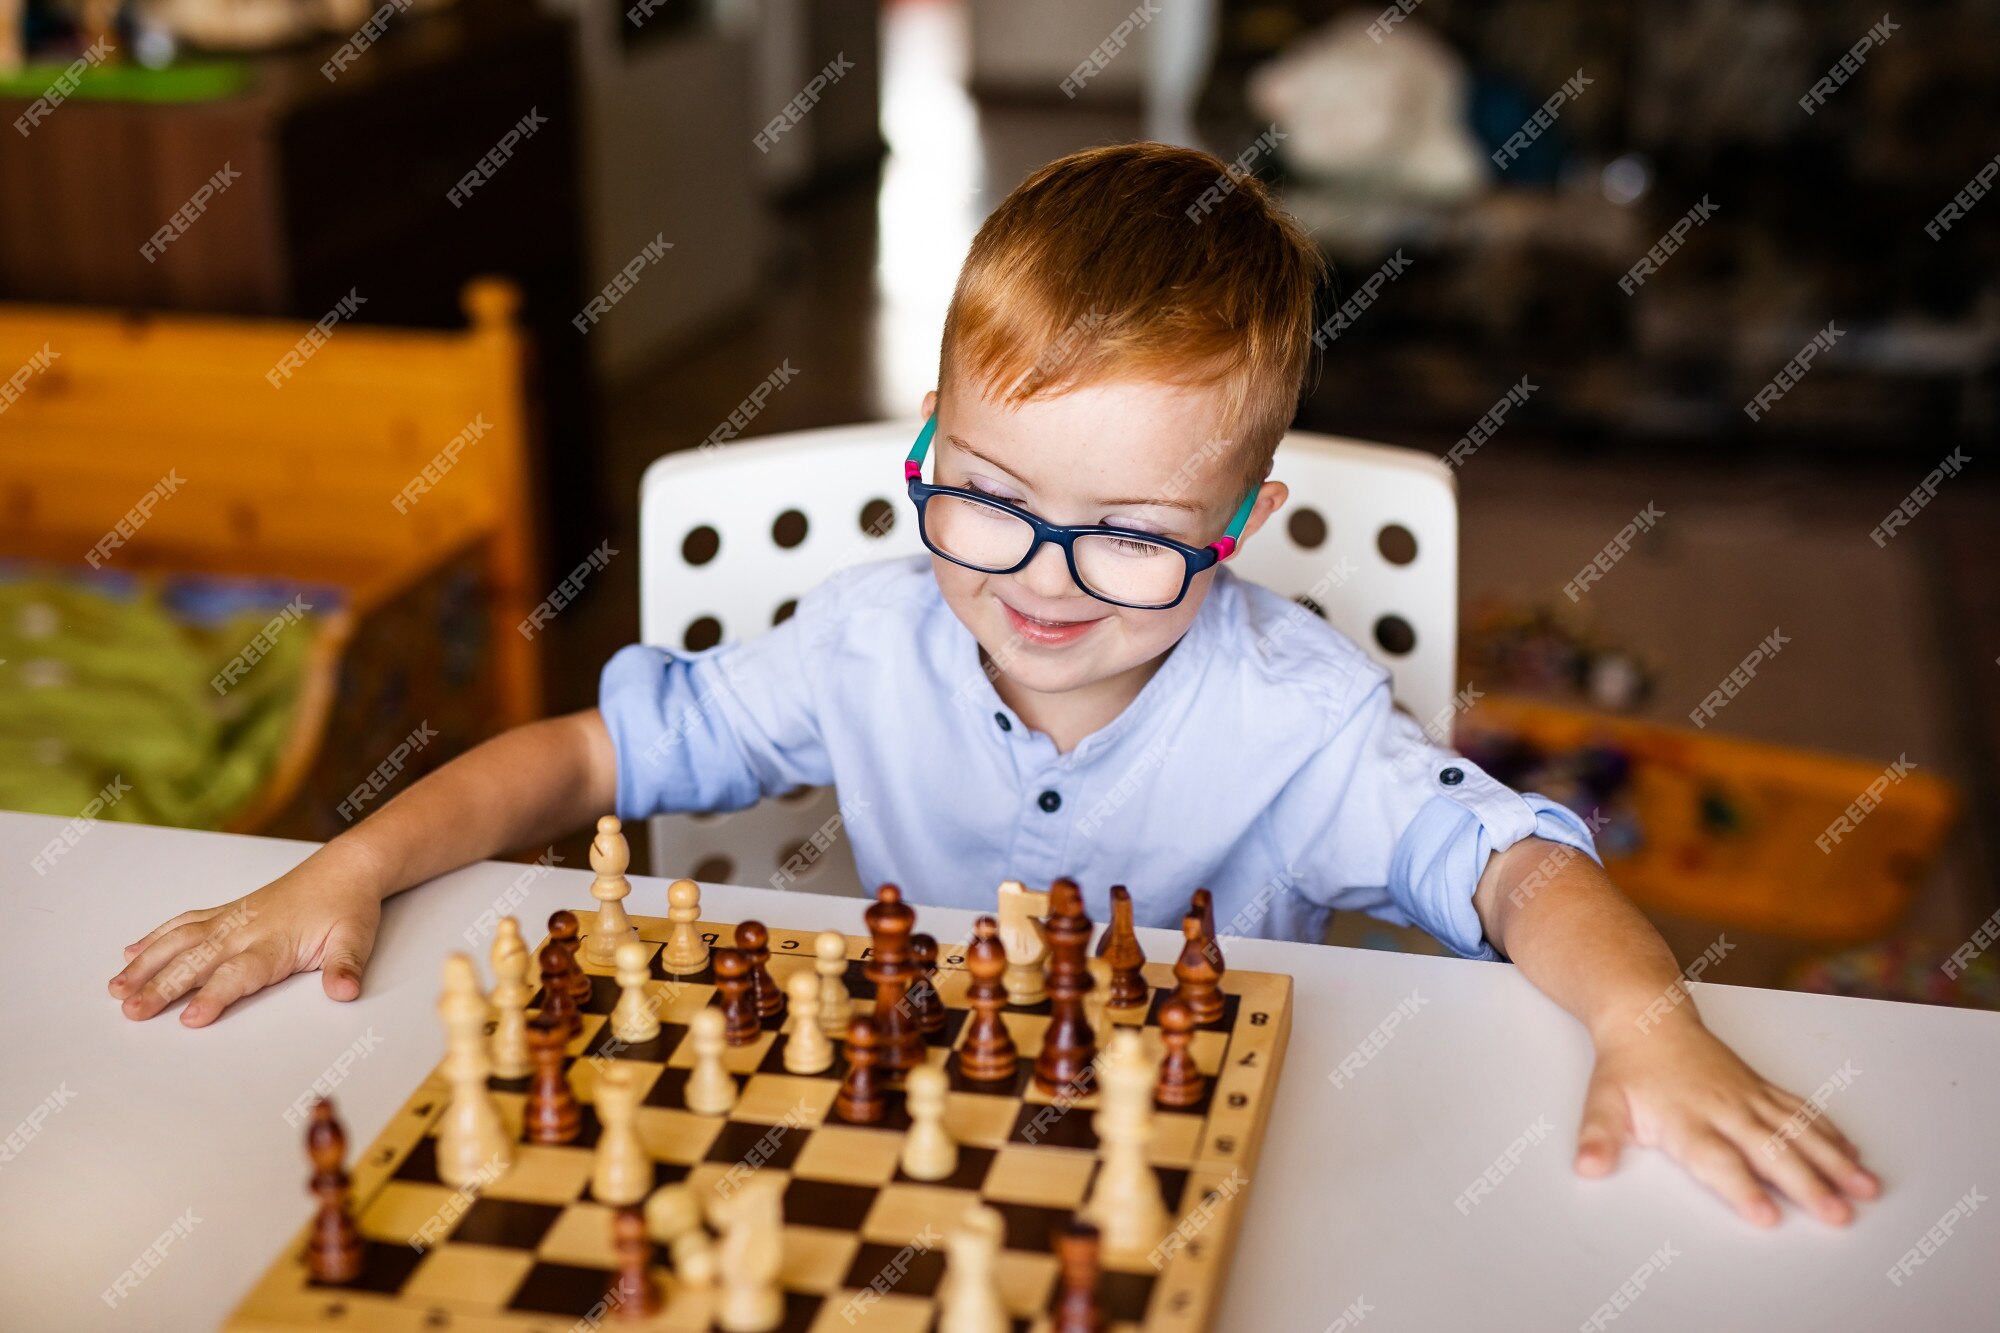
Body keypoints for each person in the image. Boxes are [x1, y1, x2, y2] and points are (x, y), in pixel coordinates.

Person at [110, 142, 1877, 1228]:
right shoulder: (868, 637)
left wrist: (1650, 1025)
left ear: (1242, 528)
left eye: (1125, 533)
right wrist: (346, 866)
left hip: (1191, 1165)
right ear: (933, 448)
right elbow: (583, 751)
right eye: (995, 499)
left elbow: (1521, 872)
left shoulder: (1296, 717)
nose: (1038, 577)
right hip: (899, 1144)